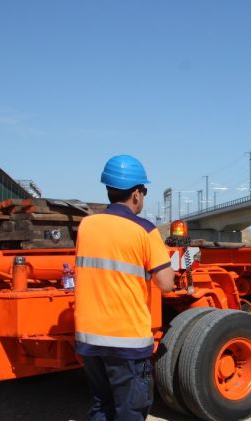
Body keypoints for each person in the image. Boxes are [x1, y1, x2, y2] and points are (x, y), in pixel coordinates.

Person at [74, 154, 175, 421]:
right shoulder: (144, 230)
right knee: (130, 410)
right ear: (136, 194)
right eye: (144, 190)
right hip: (126, 340)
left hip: (90, 337)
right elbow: (166, 284)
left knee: (101, 406)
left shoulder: (87, 225)